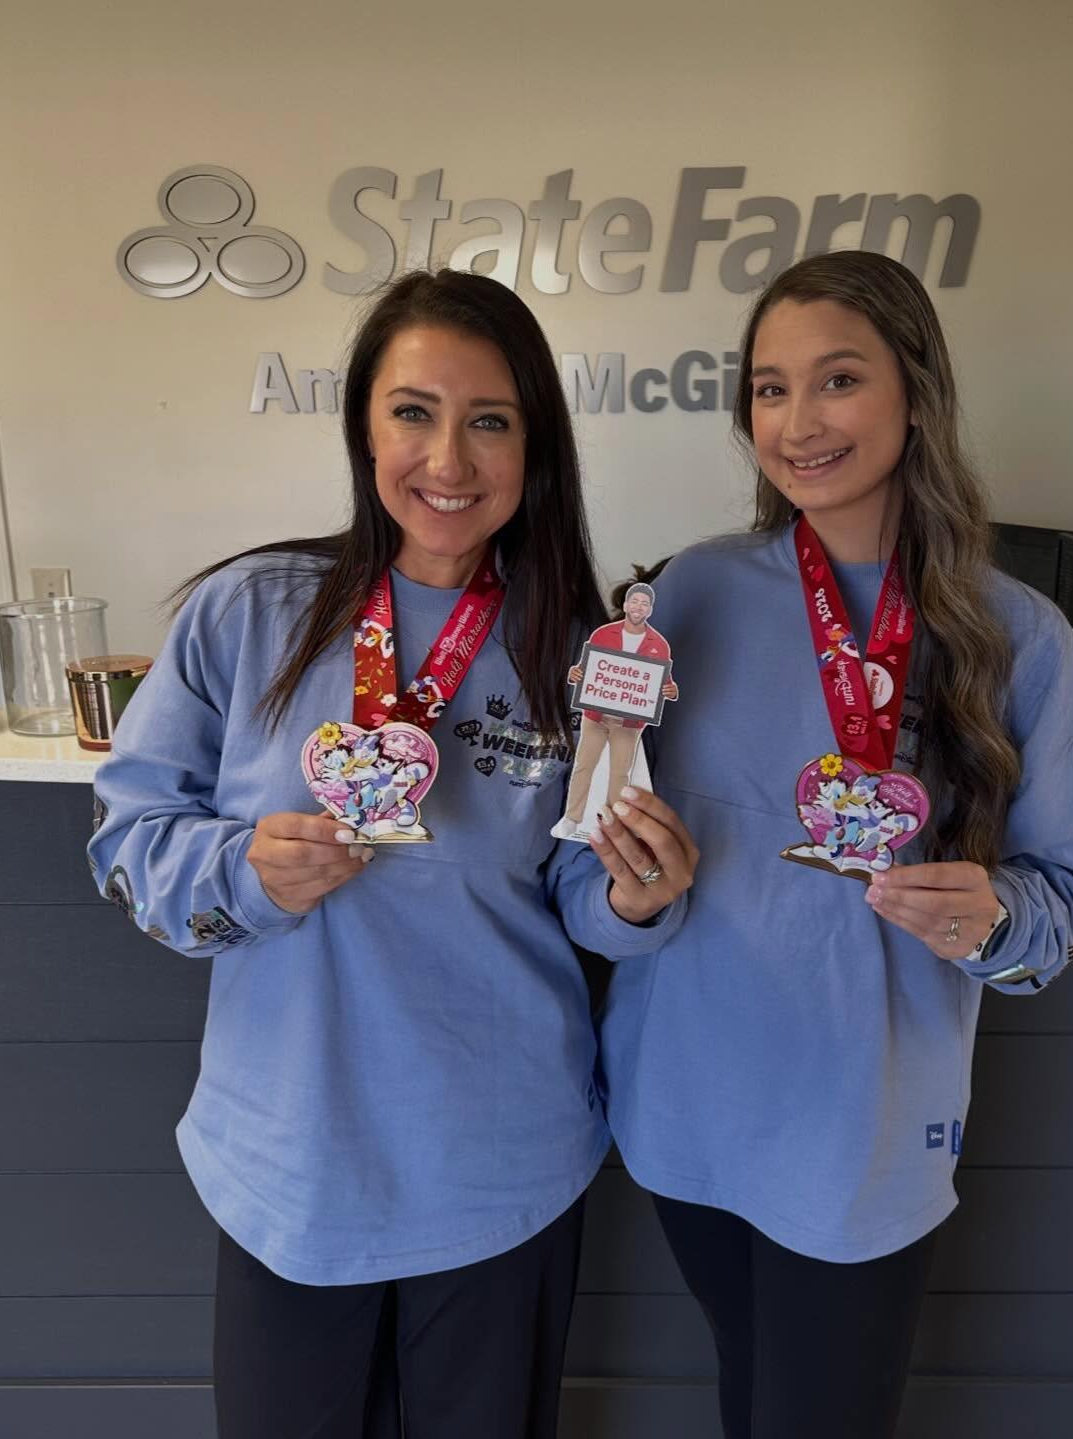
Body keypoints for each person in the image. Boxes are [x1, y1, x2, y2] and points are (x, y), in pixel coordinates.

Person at [89, 269, 699, 1439]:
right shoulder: (248, 612)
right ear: (363, 424)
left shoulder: (577, 650)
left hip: (500, 1162)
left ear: (535, 444)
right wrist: (244, 875)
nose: (448, 459)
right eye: (413, 411)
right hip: (292, 1165)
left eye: (490, 420)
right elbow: (128, 843)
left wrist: (634, 896)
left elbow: (579, 888)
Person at [598, 251, 1073, 1439]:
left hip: (865, 1123)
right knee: (749, 1387)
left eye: (836, 379)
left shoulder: (1013, 632)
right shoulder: (684, 594)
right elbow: (599, 855)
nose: (797, 422)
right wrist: (627, 888)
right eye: (768, 388)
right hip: (686, 1100)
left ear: (914, 392)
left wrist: (992, 917)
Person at [552, 580, 678, 839]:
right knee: (584, 765)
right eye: (635, 601)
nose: (639, 607)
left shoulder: (659, 644)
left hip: (630, 723)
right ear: (626, 605)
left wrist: (671, 690)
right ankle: (572, 818)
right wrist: (576, 673)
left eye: (645, 604)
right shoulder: (603, 634)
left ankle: (611, 825)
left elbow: (664, 682)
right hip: (595, 716)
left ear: (650, 609)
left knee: (620, 773)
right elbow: (586, 668)